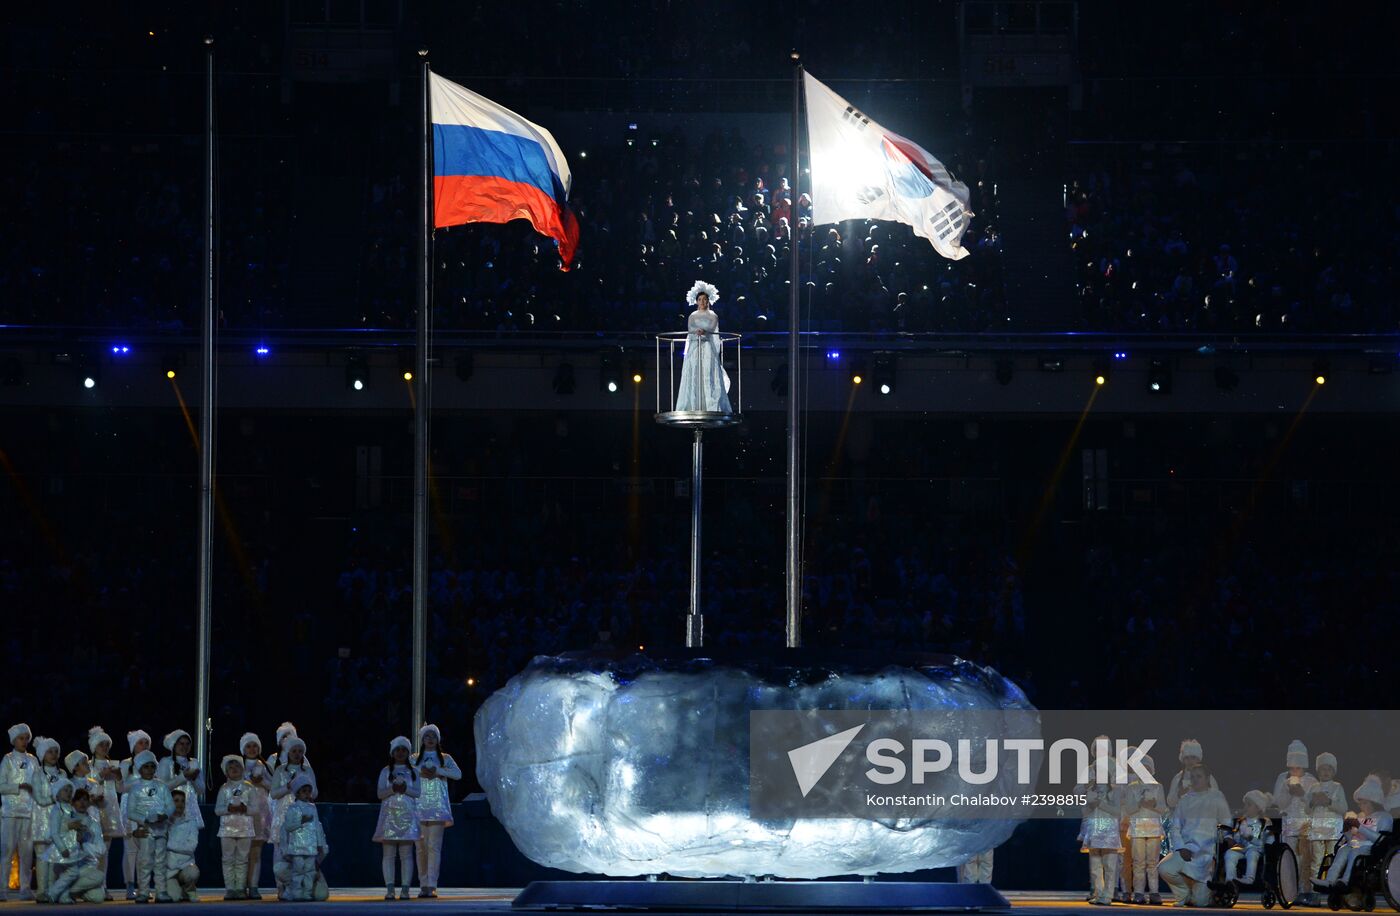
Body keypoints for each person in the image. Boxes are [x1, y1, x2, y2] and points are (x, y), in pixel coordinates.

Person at [1159, 765, 1232, 907]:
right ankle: (1183, 894)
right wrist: (1181, 848)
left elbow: (1226, 821)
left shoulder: (1216, 796)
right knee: (1164, 868)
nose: (1195, 780)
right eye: (1193, 777)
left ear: (1207, 779)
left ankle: (1199, 891)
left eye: (1199, 776)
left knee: (1200, 903)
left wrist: (1227, 838)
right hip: (1187, 849)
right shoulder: (1185, 799)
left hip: (1207, 852)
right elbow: (1175, 827)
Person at [1319, 776, 1394, 892]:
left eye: (1365, 803)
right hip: (1356, 845)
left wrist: (1360, 827)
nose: (1361, 806)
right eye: (1360, 804)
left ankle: (1346, 881)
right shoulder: (1361, 817)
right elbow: (1352, 839)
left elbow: (1380, 839)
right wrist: (1347, 830)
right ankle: (1330, 881)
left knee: (1354, 852)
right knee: (1342, 850)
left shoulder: (1384, 817)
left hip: (1371, 848)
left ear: (1374, 802)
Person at [411, 724, 461, 898]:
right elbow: (405, 773)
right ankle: (423, 883)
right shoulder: (414, 758)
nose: (430, 739)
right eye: (427, 736)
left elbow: (458, 774)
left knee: (434, 847)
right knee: (420, 848)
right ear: (423, 740)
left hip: (437, 807)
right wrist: (421, 771)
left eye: (433, 736)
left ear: (437, 739)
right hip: (418, 807)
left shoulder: (445, 758)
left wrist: (438, 771)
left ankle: (432, 884)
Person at [124, 748, 175, 904]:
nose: (150, 769)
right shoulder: (135, 788)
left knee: (160, 862)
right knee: (145, 861)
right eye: (146, 766)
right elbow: (130, 812)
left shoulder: (162, 786)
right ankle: (143, 892)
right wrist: (144, 819)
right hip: (146, 831)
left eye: (152, 766)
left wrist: (164, 815)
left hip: (161, 829)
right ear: (139, 768)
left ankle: (161, 891)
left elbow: (171, 806)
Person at [269, 736, 316, 899]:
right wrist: (288, 787)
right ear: (288, 752)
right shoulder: (280, 770)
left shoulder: (307, 770)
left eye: (300, 751)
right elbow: (273, 793)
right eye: (294, 751)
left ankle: (303, 888)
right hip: (283, 814)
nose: (297, 754)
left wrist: (305, 791)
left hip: (303, 813)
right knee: (280, 853)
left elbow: (315, 792)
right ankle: (281, 888)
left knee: (302, 854)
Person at [673, 281, 732, 413]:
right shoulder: (692, 316)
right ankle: (693, 405)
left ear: (708, 301)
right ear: (696, 301)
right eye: (700, 299)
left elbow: (711, 328)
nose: (702, 302)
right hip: (695, 347)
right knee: (695, 372)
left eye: (705, 299)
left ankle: (711, 405)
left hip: (707, 347)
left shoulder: (713, 315)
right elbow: (691, 329)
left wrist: (704, 332)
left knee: (708, 372)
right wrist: (697, 332)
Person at [375, 736, 422, 900]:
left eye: (404, 750)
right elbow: (380, 794)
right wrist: (392, 789)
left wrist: (405, 788)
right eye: (398, 750)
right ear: (392, 752)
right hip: (389, 817)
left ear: (408, 752)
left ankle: (405, 889)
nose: (400, 753)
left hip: (407, 817)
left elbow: (418, 793)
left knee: (406, 854)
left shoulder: (414, 771)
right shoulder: (385, 771)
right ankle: (389, 889)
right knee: (388, 855)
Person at [1270, 740, 1317, 897]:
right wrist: (1289, 793)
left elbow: (1314, 805)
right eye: (1292, 767)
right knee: (1289, 856)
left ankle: (1306, 890)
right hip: (1289, 823)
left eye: (1298, 767)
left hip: (1305, 824)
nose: (1295, 770)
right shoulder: (1283, 779)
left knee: (1304, 857)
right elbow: (1278, 803)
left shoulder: (1311, 781)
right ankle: (1289, 891)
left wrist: (1302, 795)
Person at [46, 785, 106, 904]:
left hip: (86, 868)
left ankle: (66, 892)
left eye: (85, 800)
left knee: (99, 895)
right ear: (73, 802)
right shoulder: (66, 817)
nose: (82, 803)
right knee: (91, 878)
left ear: (89, 803)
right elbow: (52, 836)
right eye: (79, 799)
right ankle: (62, 891)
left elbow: (101, 849)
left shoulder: (94, 824)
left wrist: (83, 844)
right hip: (67, 865)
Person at [0, 723, 39, 902]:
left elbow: (39, 784)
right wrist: (18, 786)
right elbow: (1, 786)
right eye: (21, 738)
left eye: (26, 738)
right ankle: (2, 889)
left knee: (26, 852)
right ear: (13, 740)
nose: (24, 741)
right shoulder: (7, 760)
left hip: (28, 812)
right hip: (10, 813)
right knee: (7, 851)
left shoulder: (33, 760)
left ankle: (25, 888)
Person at [1123, 753, 1166, 904]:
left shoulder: (1157, 786)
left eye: (1147, 767)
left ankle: (1154, 892)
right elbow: (1128, 808)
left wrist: (1153, 805)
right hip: (1137, 829)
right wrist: (1140, 803)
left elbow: (1163, 808)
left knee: (1152, 862)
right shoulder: (1132, 788)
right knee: (1138, 862)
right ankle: (1139, 893)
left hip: (1154, 828)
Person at [1305, 753, 1346, 906]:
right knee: (1316, 862)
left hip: (1333, 830)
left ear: (1333, 771)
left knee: (1333, 862)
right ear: (1318, 771)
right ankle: (1315, 895)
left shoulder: (1337, 787)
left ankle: (1333, 894)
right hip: (1317, 830)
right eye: (1322, 769)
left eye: (1329, 769)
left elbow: (1343, 808)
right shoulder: (1313, 787)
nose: (1325, 772)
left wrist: (1328, 801)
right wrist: (1312, 803)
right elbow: (1307, 810)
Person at [88, 727, 124, 895]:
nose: (104, 747)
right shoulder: (87, 765)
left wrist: (118, 777)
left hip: (109, 809)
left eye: (106, 744)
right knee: (92, 849)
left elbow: (121, 788)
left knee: (105, 851)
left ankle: (103, 886)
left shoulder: (114, 765)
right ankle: (91, 885)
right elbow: (86, 785)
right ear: (94, 747)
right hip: (93, 809)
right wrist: (100, 776)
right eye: (101, 744)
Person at [119, 728, 153, 899]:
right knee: (130, 849)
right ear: (133, 746)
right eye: (141, 742)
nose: (145, 745)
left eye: (147, 742)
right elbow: (121, 787)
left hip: (146, 807)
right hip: (129, 807)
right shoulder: (126, 764)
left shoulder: (153, 764)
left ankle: (144, 886)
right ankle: (129, 885)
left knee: (145, 850)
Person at [216, 755, 256, 899]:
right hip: (227, 829)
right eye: (230, 768)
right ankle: (230, 889)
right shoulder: (224, 788)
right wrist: (228, 809)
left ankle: (240, 888)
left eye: (237, 766)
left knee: (242, 859)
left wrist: (245, 809)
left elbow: (255, 808)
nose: (234, 770)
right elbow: (217, 810)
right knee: (227, 859)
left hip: (245, 829)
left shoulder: (249, 787)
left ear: (243, 769)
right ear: (226, 772)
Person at [1079, 775, 1123, 906]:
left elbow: (1117, 811)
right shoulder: (1091, 792)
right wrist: (1090, 805)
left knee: (1109, 866)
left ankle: (1107, 895)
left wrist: (1101, 804)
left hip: (1109, 832)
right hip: (1094, 831)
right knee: (1095, 866)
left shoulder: (1114, 791)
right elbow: (1084, 811)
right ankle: (1098, 894)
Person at [31, 736, 65, 901]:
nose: (53, 754)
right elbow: (39, 798)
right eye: (49, 751)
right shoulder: (37, 773)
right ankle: (42, 891)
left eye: (55, 751)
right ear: (42, 754)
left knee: (55, 856)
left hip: (58, 820)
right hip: (42, 820)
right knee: (42, 856)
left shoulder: (62, 773)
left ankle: (53, 890)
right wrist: (55, 798)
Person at [39, 778, 83, 904]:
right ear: (57, 793)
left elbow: (72, 828)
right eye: (65, 790)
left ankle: (63, 896)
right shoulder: (57, 810)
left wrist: (79, 833)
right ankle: (51, 892)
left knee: (65, 873)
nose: (68, 792)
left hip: (72, 847)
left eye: (70, 790)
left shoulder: (71, 809)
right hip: (61, 849)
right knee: (72, 872)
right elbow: (54, 833)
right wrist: (62, 848)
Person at [278, 773, 321, 901]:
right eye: (304, 791)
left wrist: (320, 844)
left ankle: (307, 893)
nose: (307, 794)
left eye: (309, 791)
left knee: (309, 871)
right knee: (298, 871)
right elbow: (288, 827)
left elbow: (317, 827)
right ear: (297, 793)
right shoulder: (292, 808)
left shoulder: (313, 808)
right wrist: (300, 821)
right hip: (297, 847)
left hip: (311, 847)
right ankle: (296, 892)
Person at [240, 732, 272, 899]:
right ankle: (240, 886)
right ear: (243, 750)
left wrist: (261, 782)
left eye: (255, 746)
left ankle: (253, 886)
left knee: (256, 852)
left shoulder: (265, 766)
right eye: (248, 746)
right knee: (242, 853)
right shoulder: (239, 766)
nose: (252, 749)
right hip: (244, 814)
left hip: (261, 814)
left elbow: (274, 787)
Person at [1222, 790, 1272, 887]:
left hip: (1256, 848)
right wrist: (1231, 839)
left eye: (1249, 805)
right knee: (1230, 853)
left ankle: (1249, 878)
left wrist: (1250, 838)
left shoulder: (1264, 822)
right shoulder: (1241, 820)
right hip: (1241, 847)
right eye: (1245, 804)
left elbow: (1264, 843)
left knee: (1252, 854)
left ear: (1258, 807)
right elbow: (1236, 835)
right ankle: (1230, 879)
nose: (1245, 807)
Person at [163, 787, 201, 902]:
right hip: (169, 870)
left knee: (193, 873)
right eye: (176, 800)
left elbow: (191, 847)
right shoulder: (163, 823)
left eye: (182, 801)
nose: (180, 804)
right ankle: (178, 890)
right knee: (174, 898)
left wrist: (169, 845)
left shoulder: (191, 822)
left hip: (186, 865)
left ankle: (189, 889)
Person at [1165, 739, 1217, 808]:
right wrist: (1179, 794)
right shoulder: (1178, 778)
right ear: (1183, 760)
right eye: (1187, 758)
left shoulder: (1207, 777)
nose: (1190, 761)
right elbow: (1170, 803)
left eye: (1193, 757)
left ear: (1198, 759)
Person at [157, 730, 205, 797]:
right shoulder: (165, 761)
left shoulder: (194, 762)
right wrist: (183, 777)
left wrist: (194, 779)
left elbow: (201, 790)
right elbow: (161, 789)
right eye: (181, 744)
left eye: (188, 744)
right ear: (173, 745)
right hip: (172, 805)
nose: (185, 747)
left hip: (192, 806)